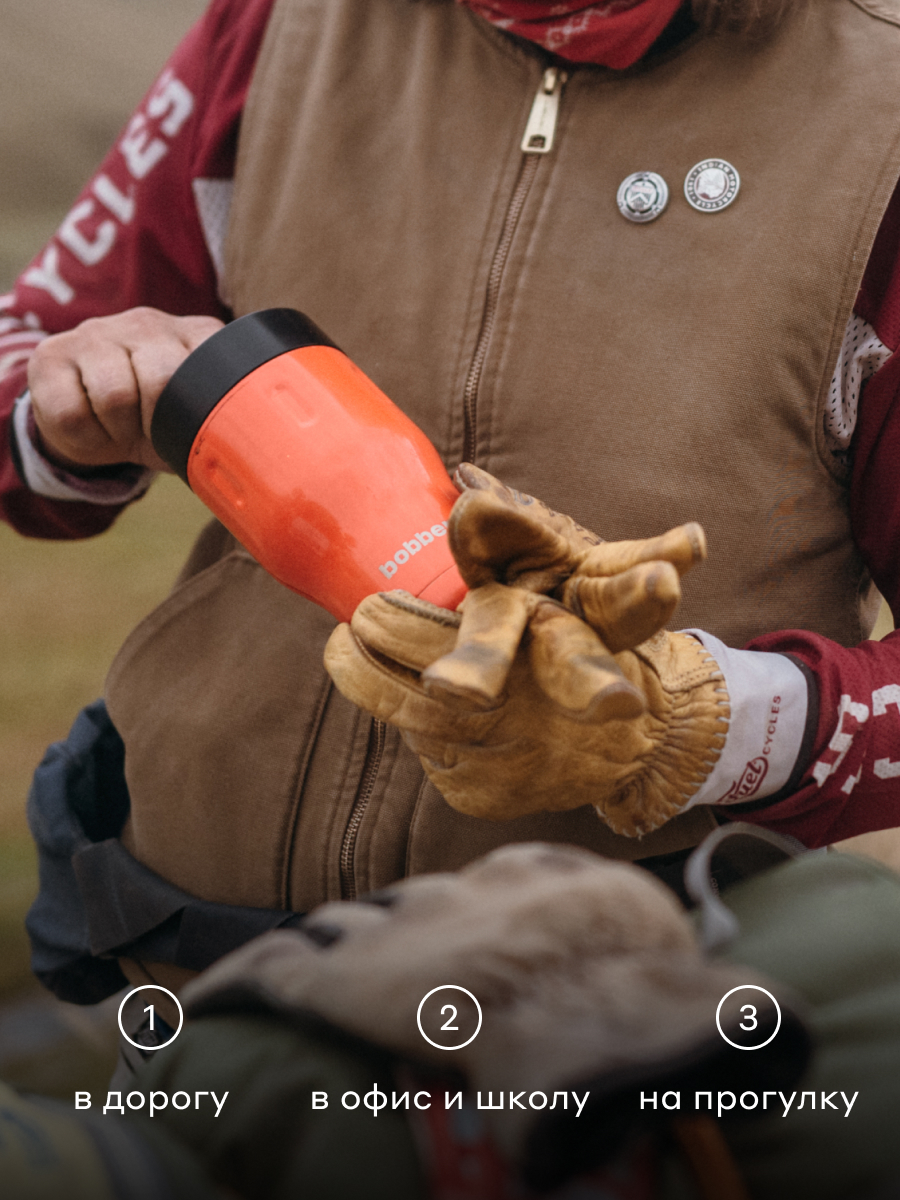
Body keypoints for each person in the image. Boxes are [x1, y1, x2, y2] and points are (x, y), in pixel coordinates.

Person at [4, 0, 900, 999]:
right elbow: (30, 348)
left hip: (629, 1034)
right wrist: (66, 397)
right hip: (189, 972)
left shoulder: (880, 118)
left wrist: (707, 727)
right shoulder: (275, 23)